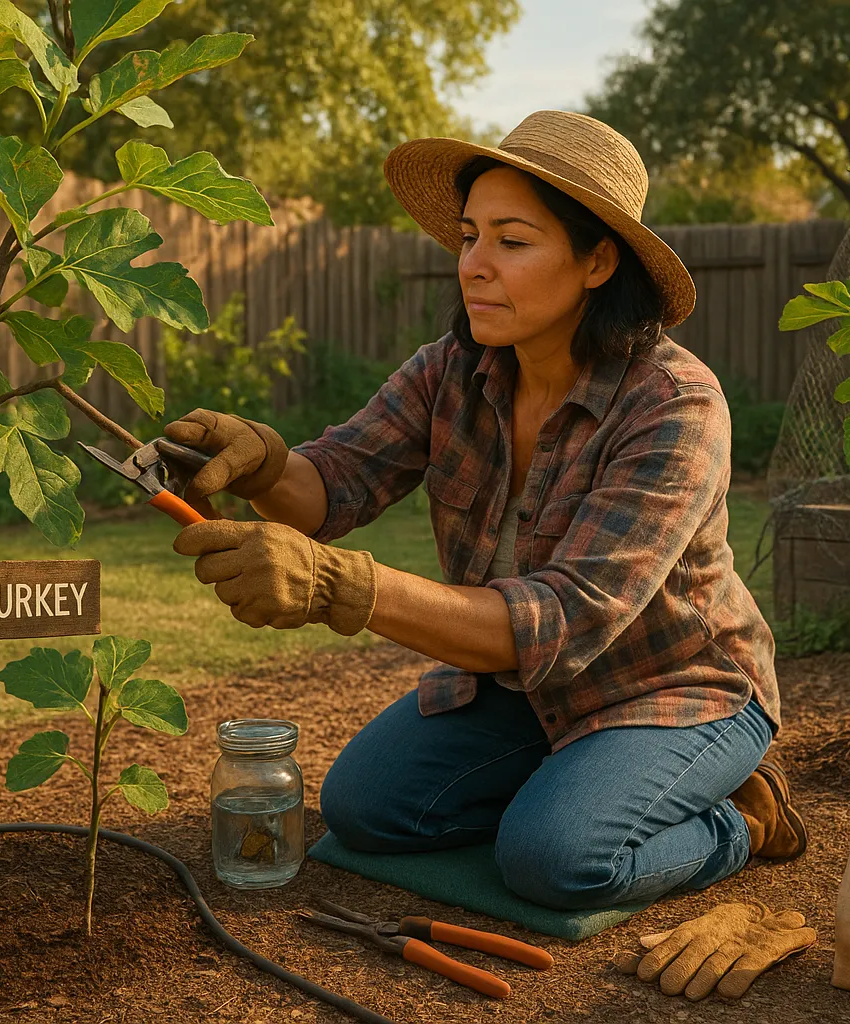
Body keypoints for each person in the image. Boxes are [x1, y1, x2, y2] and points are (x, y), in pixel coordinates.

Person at [166, 110, 804, 911]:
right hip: (528, 693)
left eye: (511, 240)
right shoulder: (451, 371)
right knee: (365, 810)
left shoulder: (676, 408)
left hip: (677, 688)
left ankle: (744, 816)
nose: (472, 265)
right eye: (469, 236)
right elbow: (331, 486)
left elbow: (564, 618)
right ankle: (577, 782)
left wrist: (340, 587)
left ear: (597, 261)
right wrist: (262, 459)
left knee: (555, 861)